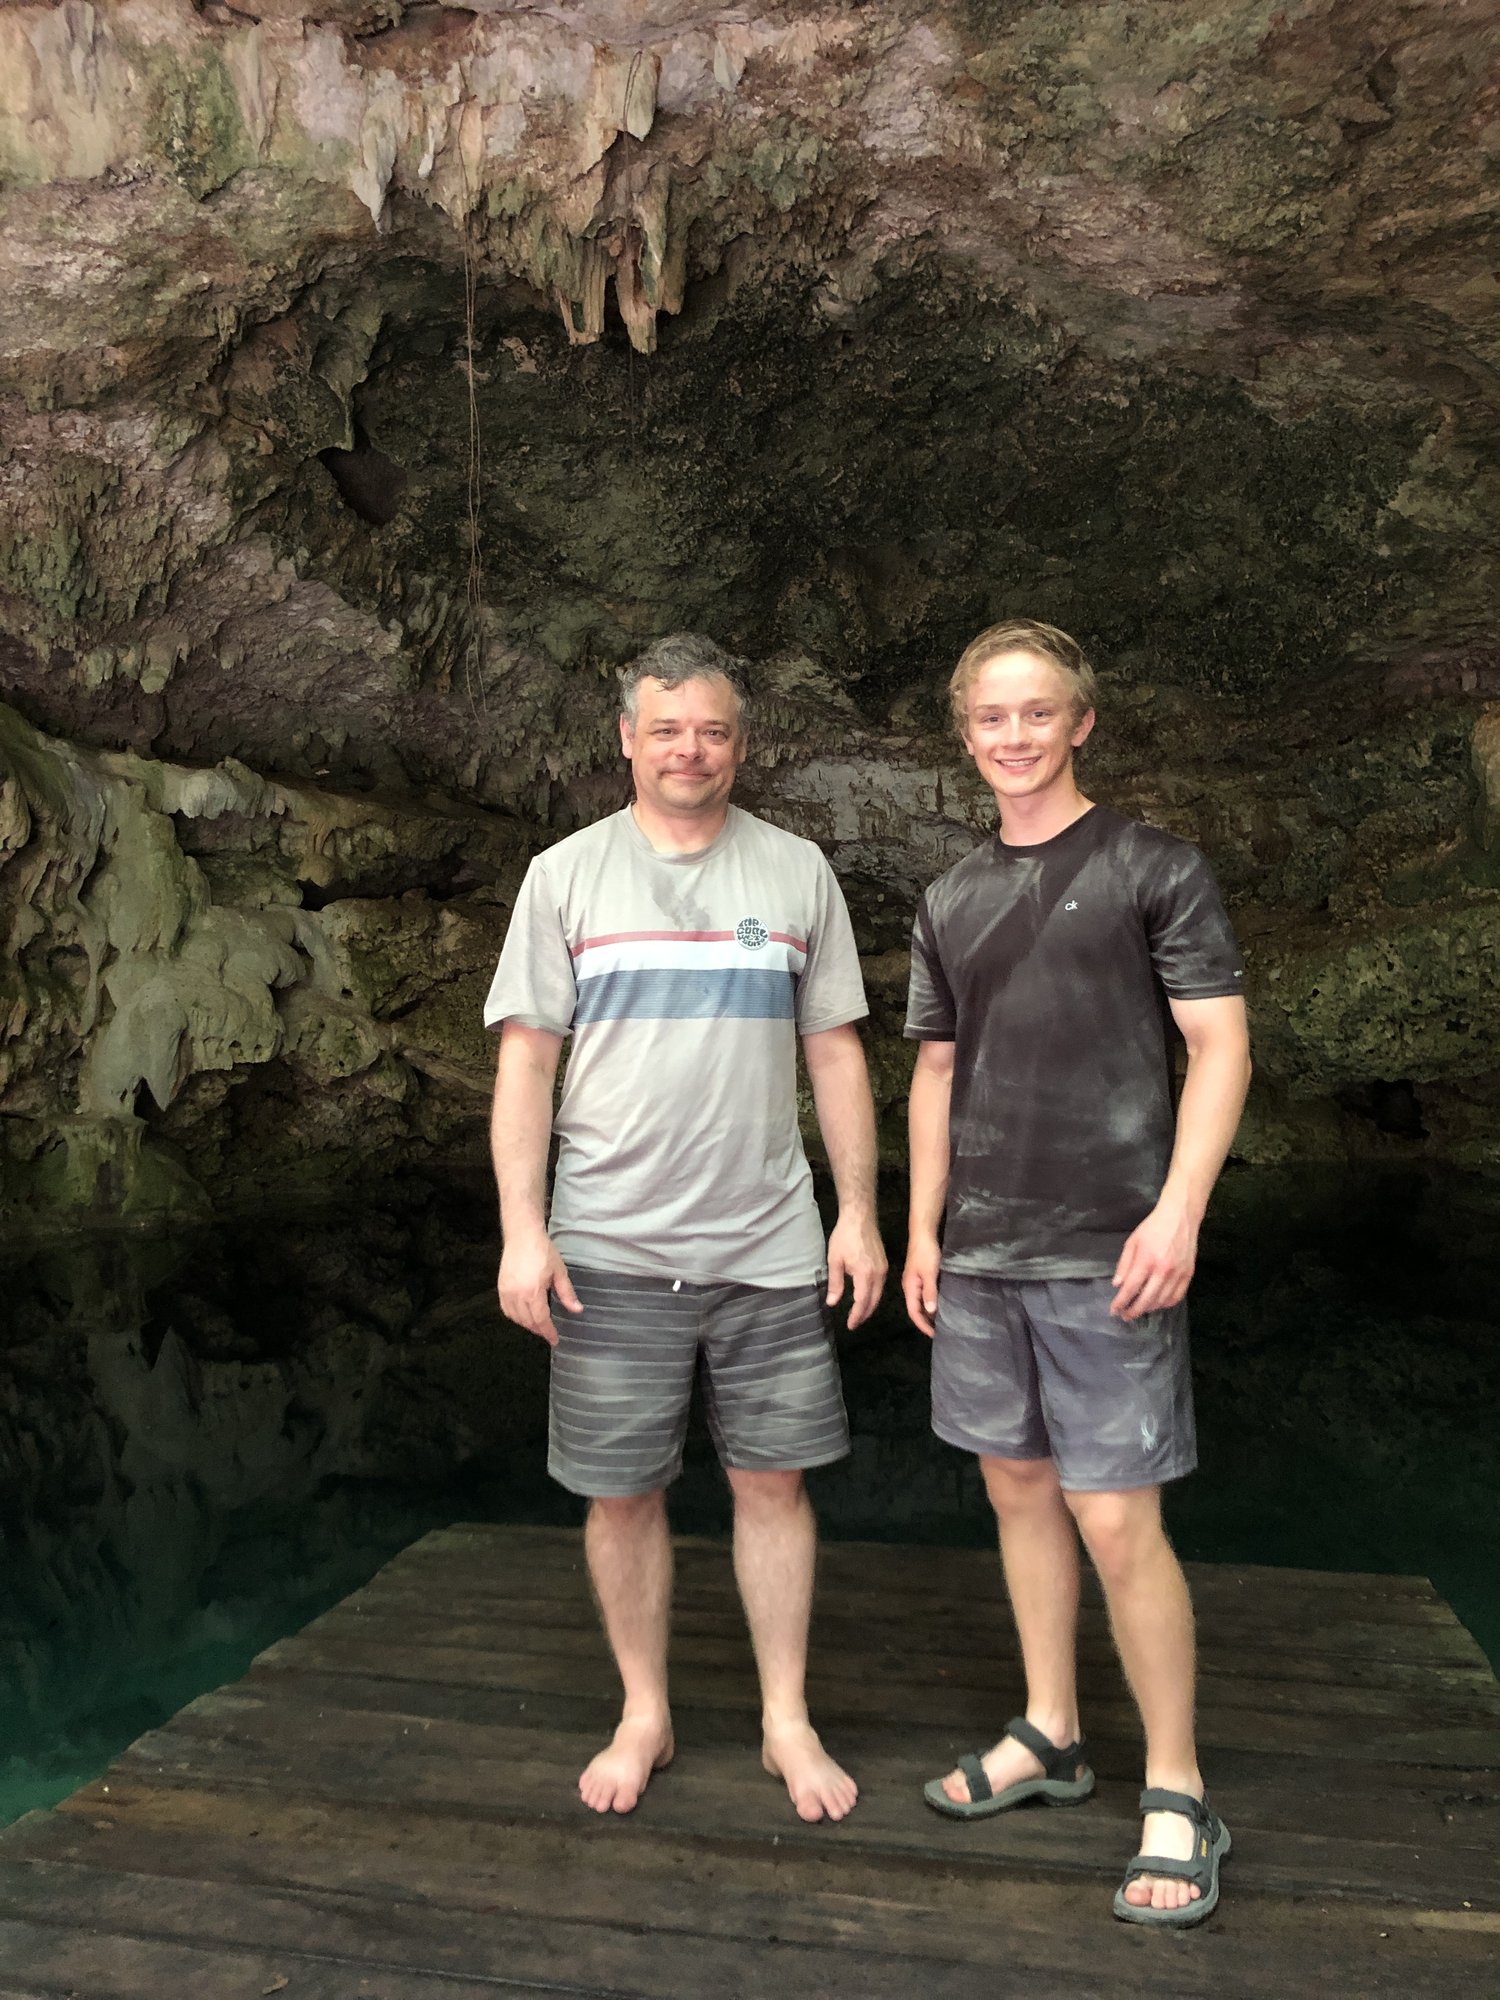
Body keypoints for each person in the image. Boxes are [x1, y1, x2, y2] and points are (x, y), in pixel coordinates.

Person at [485, 633, 886, 1824]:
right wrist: (521, 1230)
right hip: (608, 1245)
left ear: (740, 743)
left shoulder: (797, 871)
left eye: (711, 730)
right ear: (627, 739)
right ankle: (644, 1709)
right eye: (666, 729)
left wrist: (858, 1214)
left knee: (773, 1482)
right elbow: (526, 1064)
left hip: (768, 1242)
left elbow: (836, 1053)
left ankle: (784, 1717)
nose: (689, 750)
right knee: (620, 1493)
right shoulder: (564, 875)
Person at [902, 618, 1251, 1928]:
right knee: (1018, 1489)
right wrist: (924, 1228)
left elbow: (1219, 1047)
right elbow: (935, 1070)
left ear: (1081, 721)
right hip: (984, 1251)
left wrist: (1180, 1211)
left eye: (1038, 711)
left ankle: (1179, 1785)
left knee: (1116, 1517)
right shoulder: (948, 897)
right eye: (992, 717)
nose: (1015, 735)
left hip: (1111, 1247)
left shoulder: (1156, 867)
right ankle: (1050, 1728)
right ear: (966, 735)